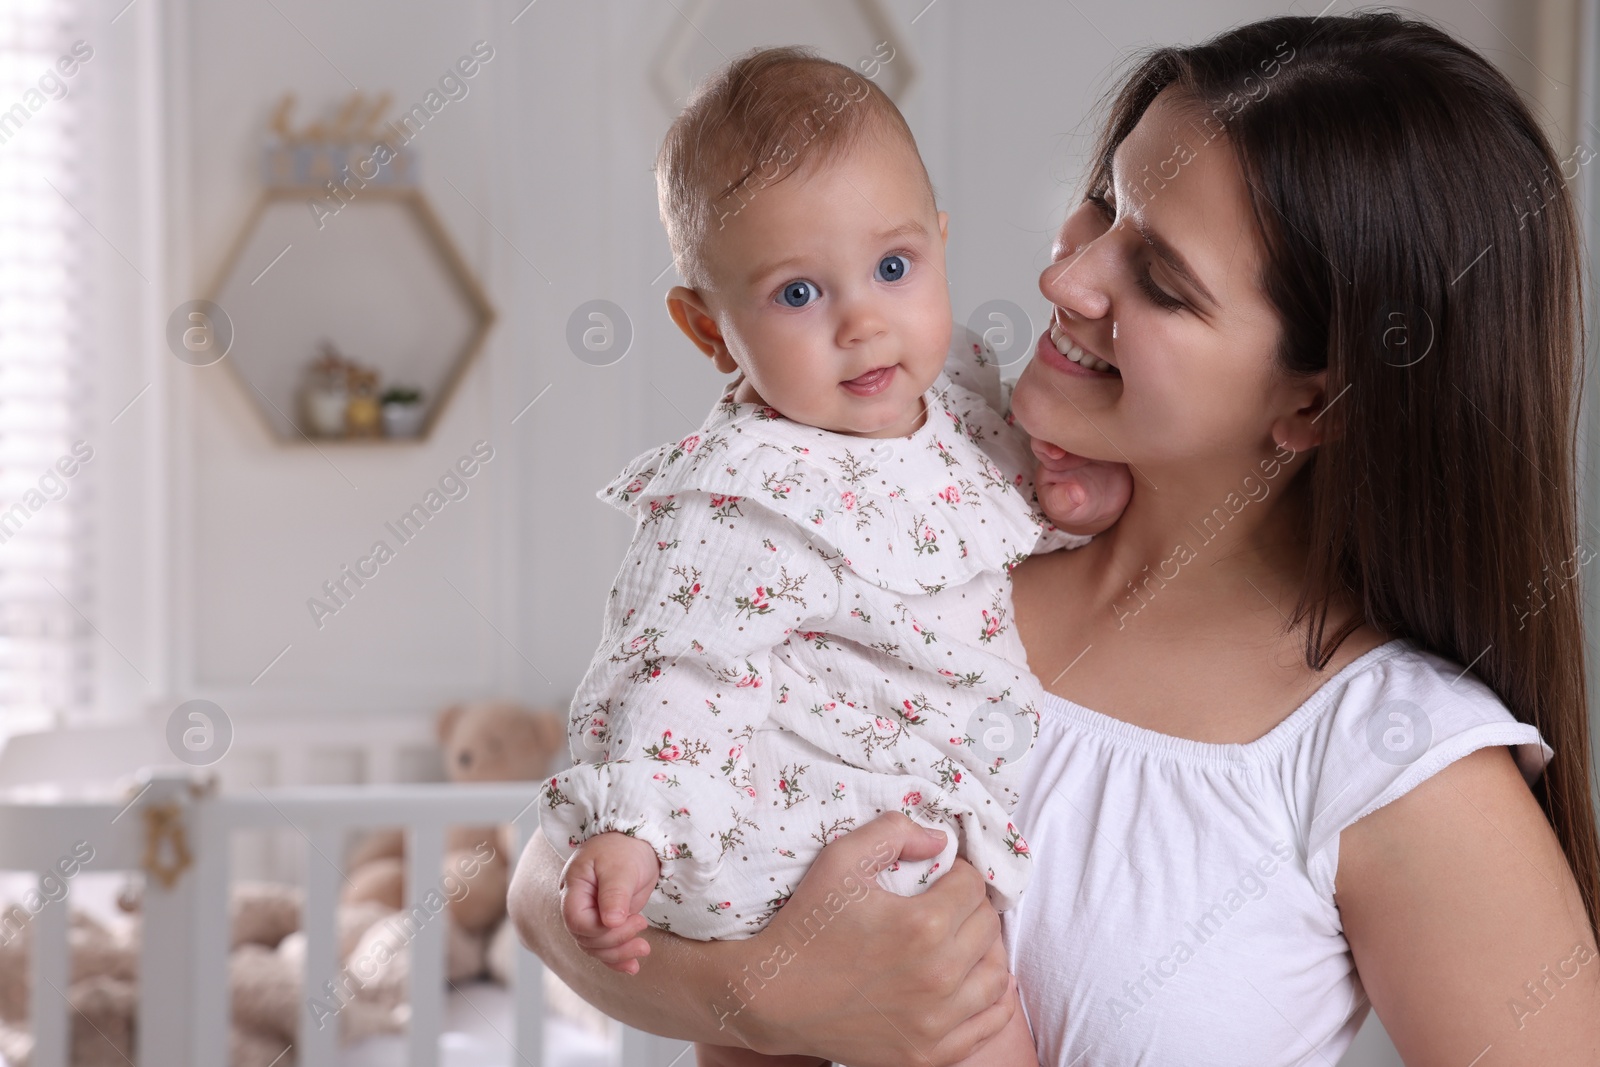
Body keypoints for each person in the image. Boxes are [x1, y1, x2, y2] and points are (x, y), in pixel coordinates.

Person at [511, 14, 1600, 1065]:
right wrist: (770, 995)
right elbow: (545, 881)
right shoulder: (922, 534)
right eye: (1099, 206)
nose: (1065, 278)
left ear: (1314, 405)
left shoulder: (1392, 758)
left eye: (1161, 282)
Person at [536, 47, 1128, 1067]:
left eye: (893, 269)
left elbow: (1016, 504)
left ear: (939, 250)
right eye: (798, 293)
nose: (862, 321)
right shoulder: (738, 494)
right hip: (807, 828)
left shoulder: (960, 406)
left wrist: (1084, 496)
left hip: (909, 813)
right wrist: (632, 827)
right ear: (706, 329)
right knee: (967, 1017)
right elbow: (674, 668)